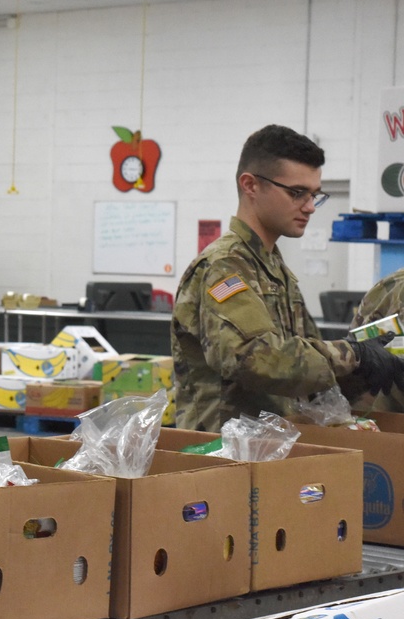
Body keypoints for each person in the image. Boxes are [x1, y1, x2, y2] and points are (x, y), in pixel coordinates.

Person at [171, 124, 404, 431]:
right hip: (222, 455)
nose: (309, 207)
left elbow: (302, 372)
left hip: (269, 448)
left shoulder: (274, 272)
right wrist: (354, 356)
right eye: (297, 193)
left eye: (314, 195)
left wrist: (372, 360)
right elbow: (256, 358)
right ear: (250, 185)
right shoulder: (224, 267)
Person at [347, 269, 404, 412]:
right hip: (384, 416)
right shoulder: (393, 287)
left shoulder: (389, 285)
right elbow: (357, 353)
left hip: (376, 414)